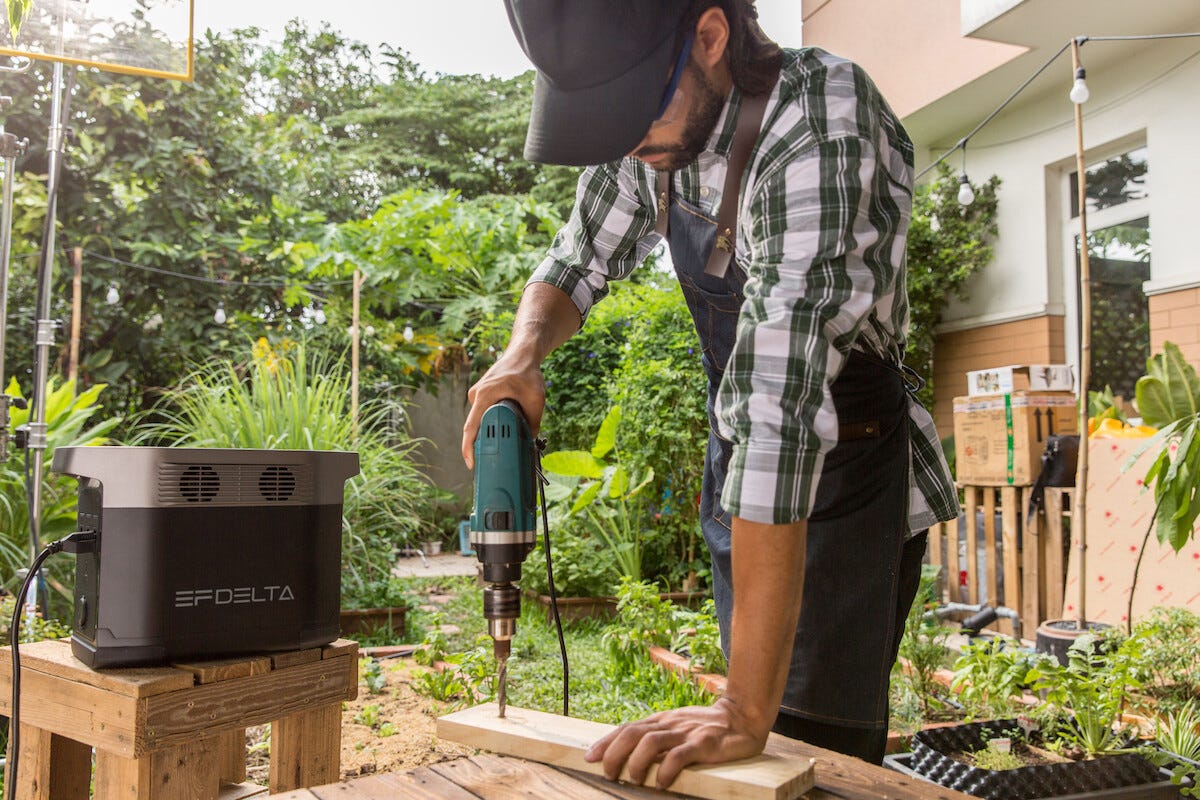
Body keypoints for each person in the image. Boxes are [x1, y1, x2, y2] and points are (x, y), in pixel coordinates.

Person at [461, 0, 958, 789]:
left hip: (838, 465)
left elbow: (778, 410)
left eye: (635, 114)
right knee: (745, 759)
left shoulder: (820, 122)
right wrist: (521, 355)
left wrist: (743, 708)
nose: (629, 143)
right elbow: (577, 259)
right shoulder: (655, 120)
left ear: (712, 36)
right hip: (745, 464)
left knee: (803, 760)